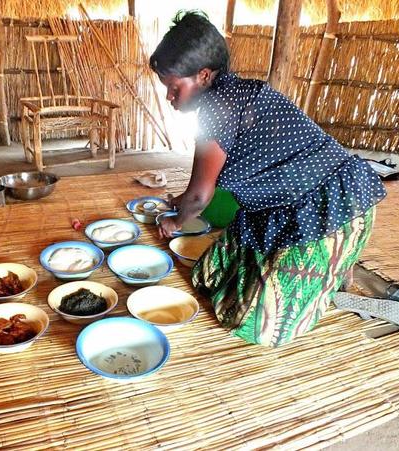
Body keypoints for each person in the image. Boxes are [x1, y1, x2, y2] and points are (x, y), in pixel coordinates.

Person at [150, 11, 386, 347]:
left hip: (329, 211)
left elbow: (200, 197)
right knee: (208, 277)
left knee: (251, 324)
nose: (170, 98)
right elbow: (206, 185)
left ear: (203, 75)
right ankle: (323, 280)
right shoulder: (234, 94)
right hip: (280, 209)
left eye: (174, 88)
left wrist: (175, 221)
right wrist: (183, 203)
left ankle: (327, 280)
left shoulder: (219, 107)